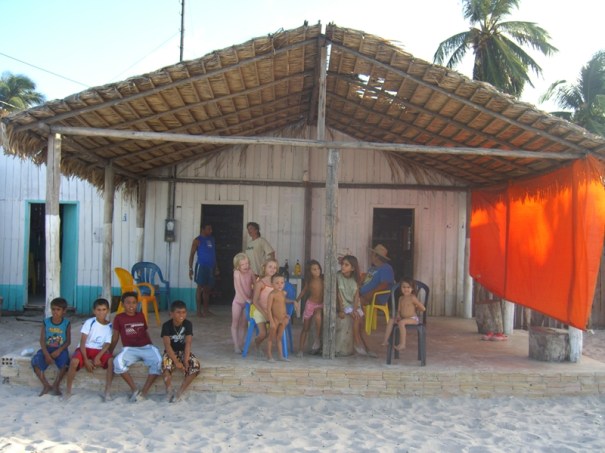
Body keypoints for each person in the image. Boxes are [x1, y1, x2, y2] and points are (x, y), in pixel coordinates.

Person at [110, 291, 162, 402]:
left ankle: (144, 392)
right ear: (122, 304)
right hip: (129, 349)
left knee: (158, 362)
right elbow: (115, 336)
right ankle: (135, 389)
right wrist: (109, 352)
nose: (131, 305)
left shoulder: (140, 315)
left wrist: (150, 345)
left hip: (146, 347)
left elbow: (145, 331)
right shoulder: (119, 318)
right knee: (117, 362)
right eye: (128, 302)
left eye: (134, 302)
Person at [64, 298, 114, 401]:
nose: (101, 312)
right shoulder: (89, 322)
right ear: (94, 311)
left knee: (111, 362)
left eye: (104, 309)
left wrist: (98, 357)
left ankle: (107, 392)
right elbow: (82, 342)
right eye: (98, 310)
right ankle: (68, 391)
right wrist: (86, 360)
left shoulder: (109, 326)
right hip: (85, 348)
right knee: (74, 361)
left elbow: (107, 343)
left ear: (108, 310)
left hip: (99, 350)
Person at [336, 255, 376, 357]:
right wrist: (343, 309)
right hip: (344, 305)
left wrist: (355, 308)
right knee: (356, 318)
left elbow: (356, 295)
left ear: (353, 268)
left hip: (354, 304)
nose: (343, 266)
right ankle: (357, 343)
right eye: (342, 264)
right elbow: (339, 295)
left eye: (346, 265)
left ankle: (367, 347)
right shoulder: (338, 276)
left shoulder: (356, 279)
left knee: (361, 321)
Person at [161, 300, 201, 402]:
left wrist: (186, 360)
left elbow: (188, 343)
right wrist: (176, 362)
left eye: (183, 312)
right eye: (178, 312)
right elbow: (167, 345)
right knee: (166, 368)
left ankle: (180, 392)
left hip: (183, 352)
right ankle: (169, 391)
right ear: (171, 314)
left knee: (195, 367)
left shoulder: (188, 324)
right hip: (171, 352)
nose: (181, 315)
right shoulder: (166, 325)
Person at [31, 297, 71, 396]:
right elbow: (42, 340)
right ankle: (46, 385)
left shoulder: (66, 323)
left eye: (58, 309)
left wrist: (59, 351)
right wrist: (46, 354)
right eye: (53, 309)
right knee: (35, 362)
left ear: (64, 311)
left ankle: (56, 385)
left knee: (65, 364)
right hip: (47, 348)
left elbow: (68, 341)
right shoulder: (46, 322)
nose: (55, 312)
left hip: (60, 349)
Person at [381, 279, 426, 350]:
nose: (406, 289)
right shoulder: (400, 298)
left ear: (412, 288)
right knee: (391, 320)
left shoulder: (412, 298)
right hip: (403, 318)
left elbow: (423, 308)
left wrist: (417, 308)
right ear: (401, 288)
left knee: (401, 323)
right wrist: (398, 316)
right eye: (404, 287)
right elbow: (399, 310)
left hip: (413, 319)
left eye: (408, 287)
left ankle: (402, 344)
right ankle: (386, 340)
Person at [188, 223, 218, 317]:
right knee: (199, 288)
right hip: (201, 266)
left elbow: (213, 254)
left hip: (211, 267)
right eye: (208, 229)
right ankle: (198, 311)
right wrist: (190, 268)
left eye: (211, 229)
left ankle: (206, 310)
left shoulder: (212, 239)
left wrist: (216, 267)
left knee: (207, 289)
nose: (211, 231)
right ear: (203, 229)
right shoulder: (197, 240)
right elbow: (192, 255)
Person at [251, 258, 279, 355]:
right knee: (263, 333)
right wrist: (265, 314)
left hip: (270, 311)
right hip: (259, 310)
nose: (272, 269)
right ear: (264, 268)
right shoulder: (260, 283)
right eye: (270, 267)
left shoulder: (276, 283)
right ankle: (257, 342)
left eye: (275, 267)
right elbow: (255, 301)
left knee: (275, 329)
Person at [296, 260, 324, 357]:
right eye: (314, 269)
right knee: (305, 328)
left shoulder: (322, 279)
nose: (317, 271)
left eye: (318, 269)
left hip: (320, 305)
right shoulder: (309, 281)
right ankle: (300, 349)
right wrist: (297, 300)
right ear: (310, 271)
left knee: (318, 316)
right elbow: (304, 291)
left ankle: (317, 339)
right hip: (310, 305)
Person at [231, 252, 256, 353]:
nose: (246, 266)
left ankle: (240, 344)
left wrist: (254, 296)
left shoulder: (250, 271)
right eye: (243, 264)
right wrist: (247, 299)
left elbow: (255, 284)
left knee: (243, 324)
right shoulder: (236, 273)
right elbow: (239, 289)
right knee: (235, 323)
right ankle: (236, 345)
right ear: (237, 266)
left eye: (247, 263)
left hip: (247, 302)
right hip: (238, 302)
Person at [266, 274, 290, 362]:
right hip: (275, 319)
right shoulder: (272, 295)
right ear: (272, 284)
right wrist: (271, 321)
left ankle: (280, 356)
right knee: (271, 338)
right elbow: (268, 309)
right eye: (277, 283)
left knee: (279, 338)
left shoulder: (283, 293)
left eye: (282, 283)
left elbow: (283, 303)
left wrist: (286, 314)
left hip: (282, 319)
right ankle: (269, 356)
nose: (280, 285)